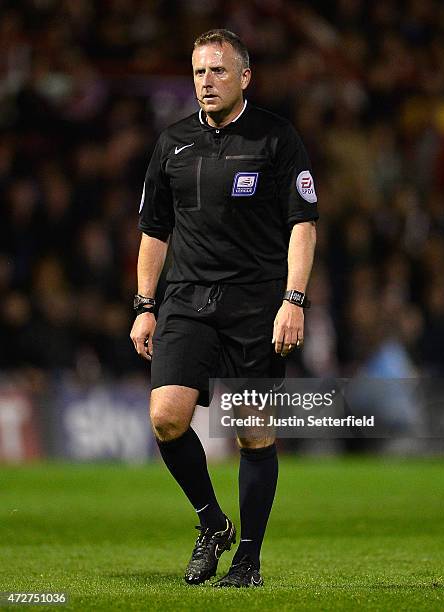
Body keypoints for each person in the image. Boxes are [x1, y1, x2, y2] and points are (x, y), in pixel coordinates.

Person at [130, 29, 318, 588]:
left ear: (244, 77)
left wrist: (294, 300)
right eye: (197, 73)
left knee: (253, 434)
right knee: (166, 417)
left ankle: (249, 560)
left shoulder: (277, 139)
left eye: (216, 71)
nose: (205, 83)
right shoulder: (173, 143)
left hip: (256, 304)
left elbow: (302, 224)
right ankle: (212, 523)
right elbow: (153, 231)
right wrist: (145, 305)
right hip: (186, 299)